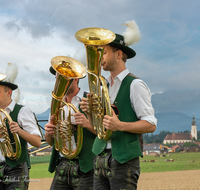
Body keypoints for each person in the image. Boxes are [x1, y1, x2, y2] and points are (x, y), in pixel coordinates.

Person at [80, 20, 157, 190]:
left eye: (104, 53)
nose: (100, 58)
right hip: (100, 159)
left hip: (124, 162)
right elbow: (98, 130)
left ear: (119, 54)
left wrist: (120, 125)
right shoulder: (102, 86)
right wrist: (90, 112)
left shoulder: (135, 84)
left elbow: (151, 124)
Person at [45, 67, 96, 190]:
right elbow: (50, 142)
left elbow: (105, 134)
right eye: (57, 78)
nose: (59, 82)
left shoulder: (90, 99)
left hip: (86, 167)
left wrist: (87, 124)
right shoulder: (56, 104)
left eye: (63, 78)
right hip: (62, 165)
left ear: (76, 79)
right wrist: (48, 132)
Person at [0, 70, 41, 189]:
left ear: (9, 93)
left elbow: (37, 142)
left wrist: (19, 131)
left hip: (16, 168)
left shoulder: (23, 112)